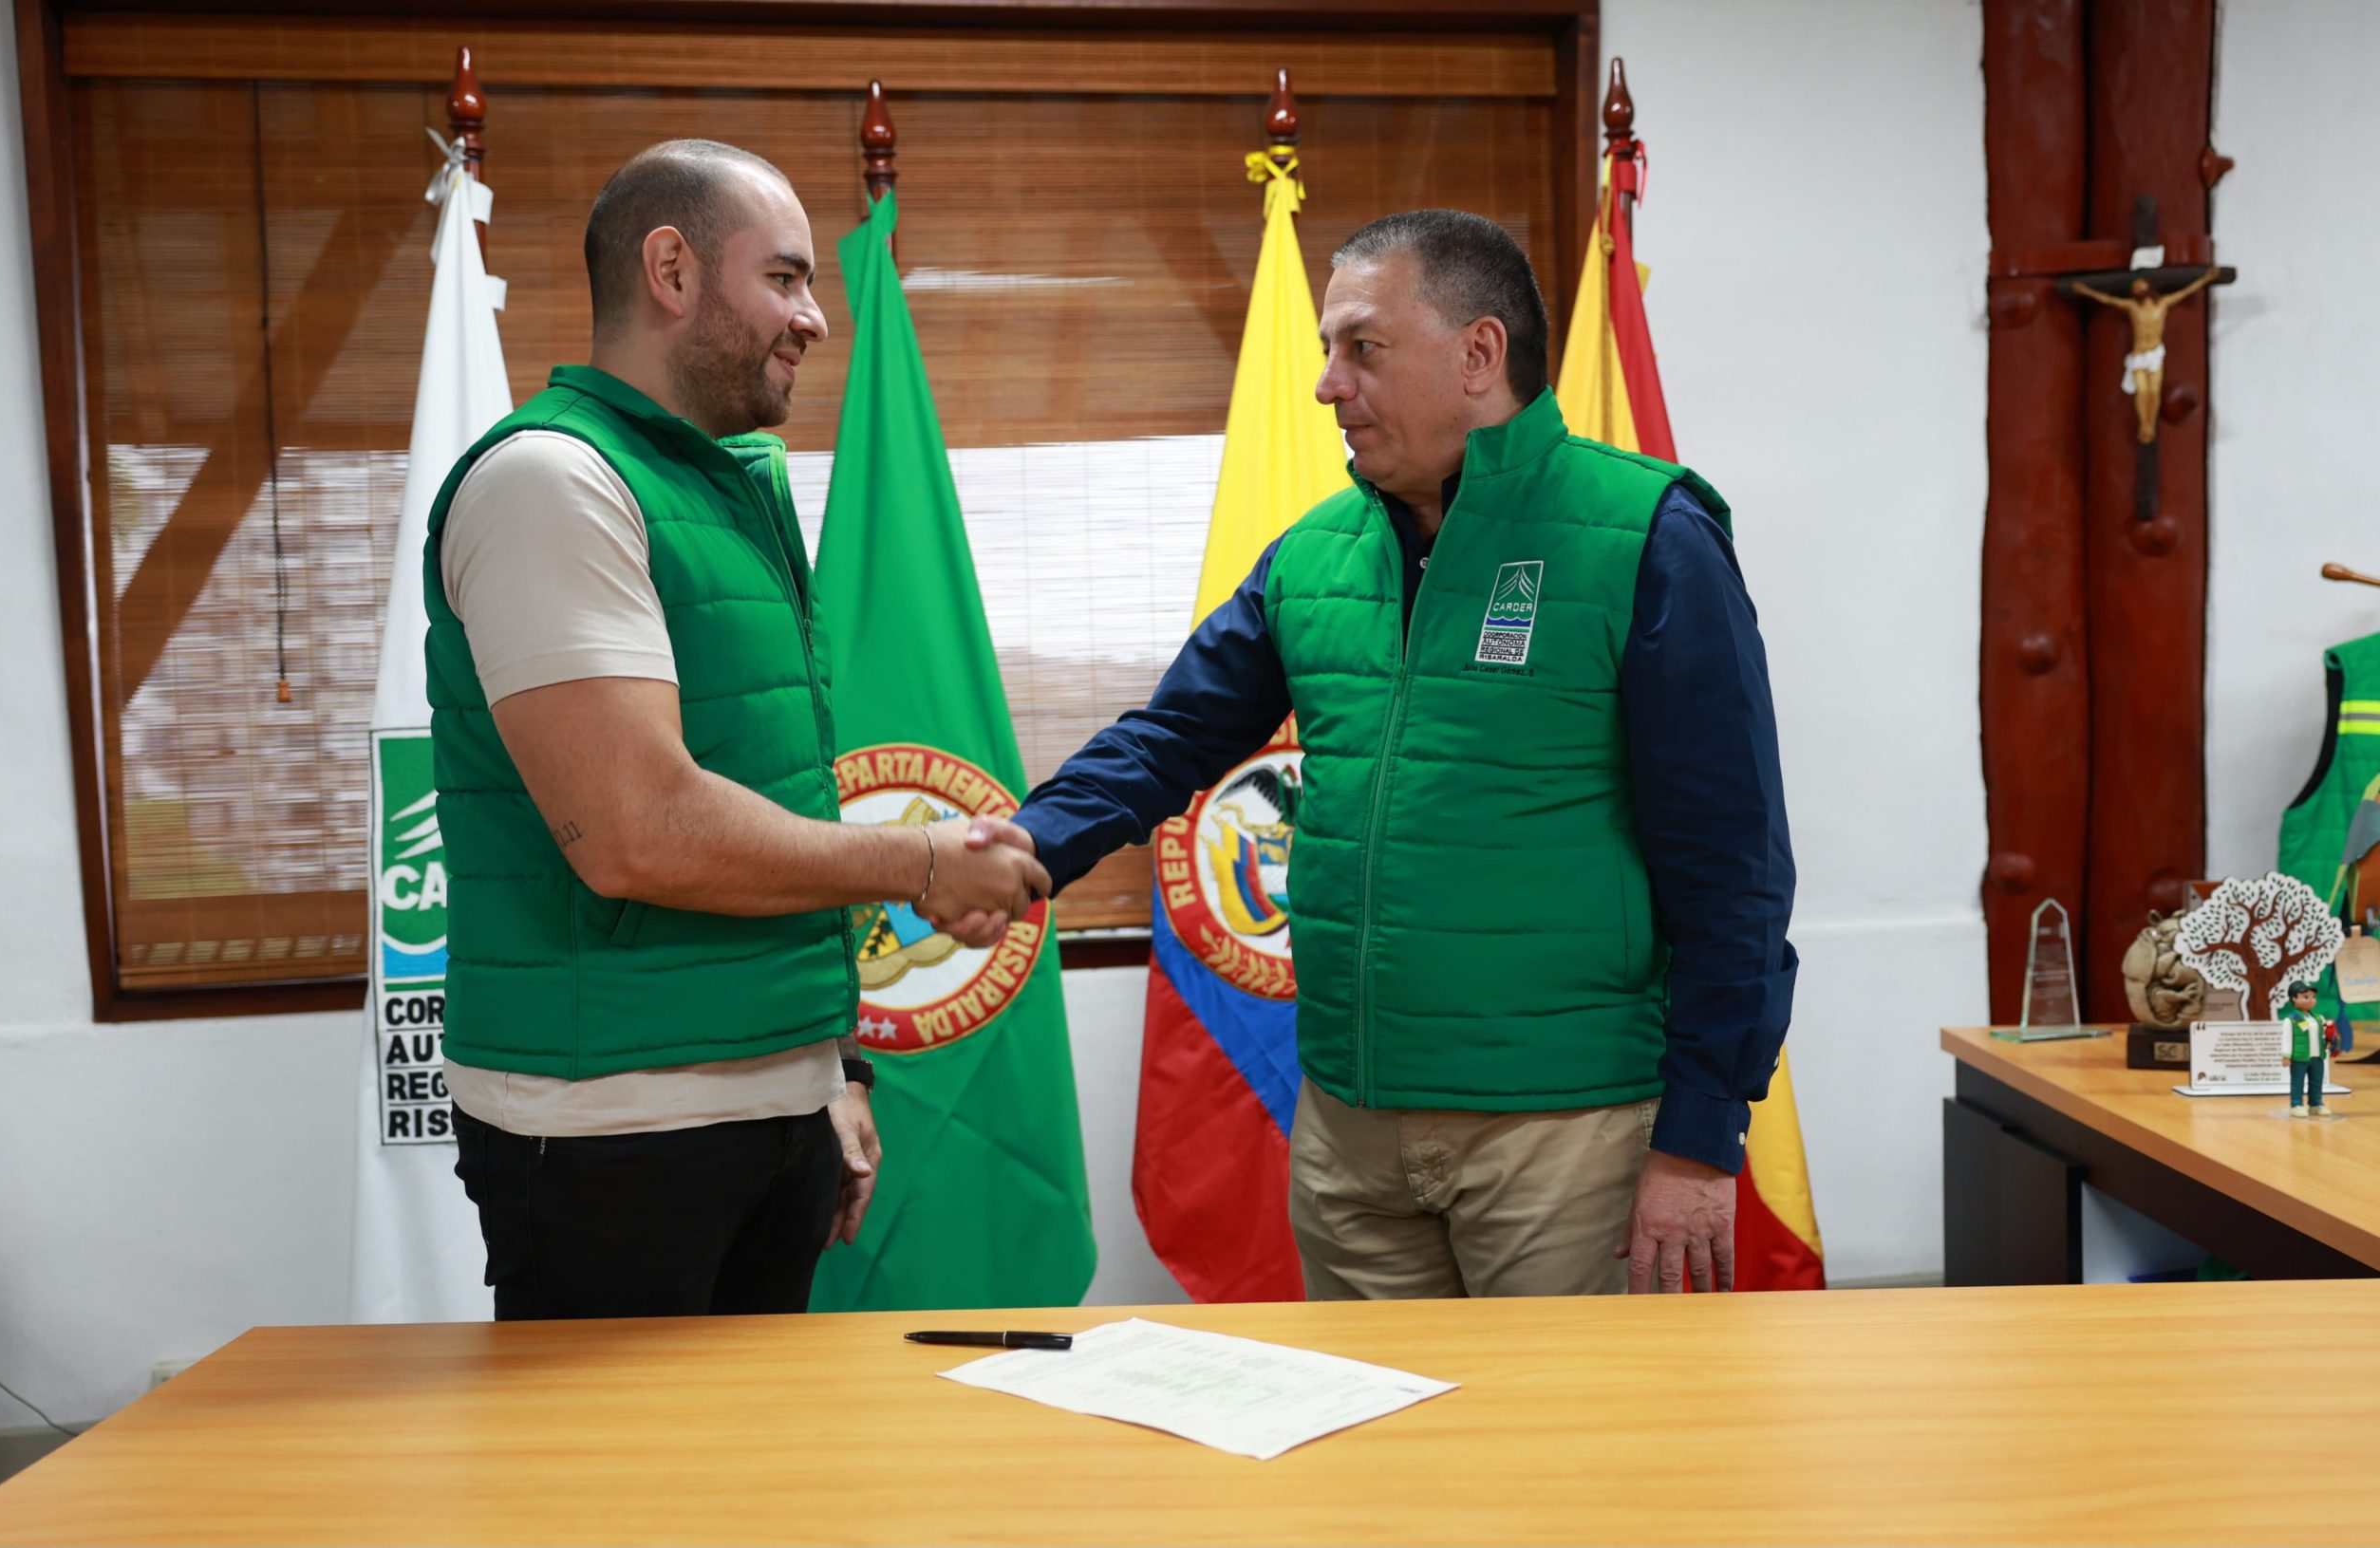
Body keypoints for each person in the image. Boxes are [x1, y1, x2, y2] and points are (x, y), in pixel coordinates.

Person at [1001, 209, 1797, 1297]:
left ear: (1479, 354)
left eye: (1360, 348)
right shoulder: (1311, 555)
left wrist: (1700, 1139)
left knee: (1552, 1465)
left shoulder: (1646, 537)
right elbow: (1171, 734)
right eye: (1328, 349)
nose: (1327, 384)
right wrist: (1026, 845)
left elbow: (1732, 867)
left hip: (1564, 1137)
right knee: (1374, 1460)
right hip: (1348, 1134)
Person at [426, 140, 1049, 1320]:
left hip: (771, 1106)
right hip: (615, 1132)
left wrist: (831, 1072)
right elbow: (639, 831)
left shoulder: (724, 486)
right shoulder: (552, 483)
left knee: (761, 1497)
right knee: (628, 1504)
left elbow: (775, 797)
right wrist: (921, 860)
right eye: (786, 277)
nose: (815, 316)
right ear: (670, 268)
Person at [2280, 981, 2335, 1118]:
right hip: (2299, 1057)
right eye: (2306, 997)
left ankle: (2316, 1104)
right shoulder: (2291, 1020)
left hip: (2317, 1056)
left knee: (2316, 1081)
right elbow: (2287, 1039)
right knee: (2297, 1082)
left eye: (2313, 997)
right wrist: (2286, 1055)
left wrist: (2327, 1042)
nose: (2311, 1000)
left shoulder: (2318, 1018)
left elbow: (2322, 1035)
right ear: (2294, 998)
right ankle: (2296, 1104)